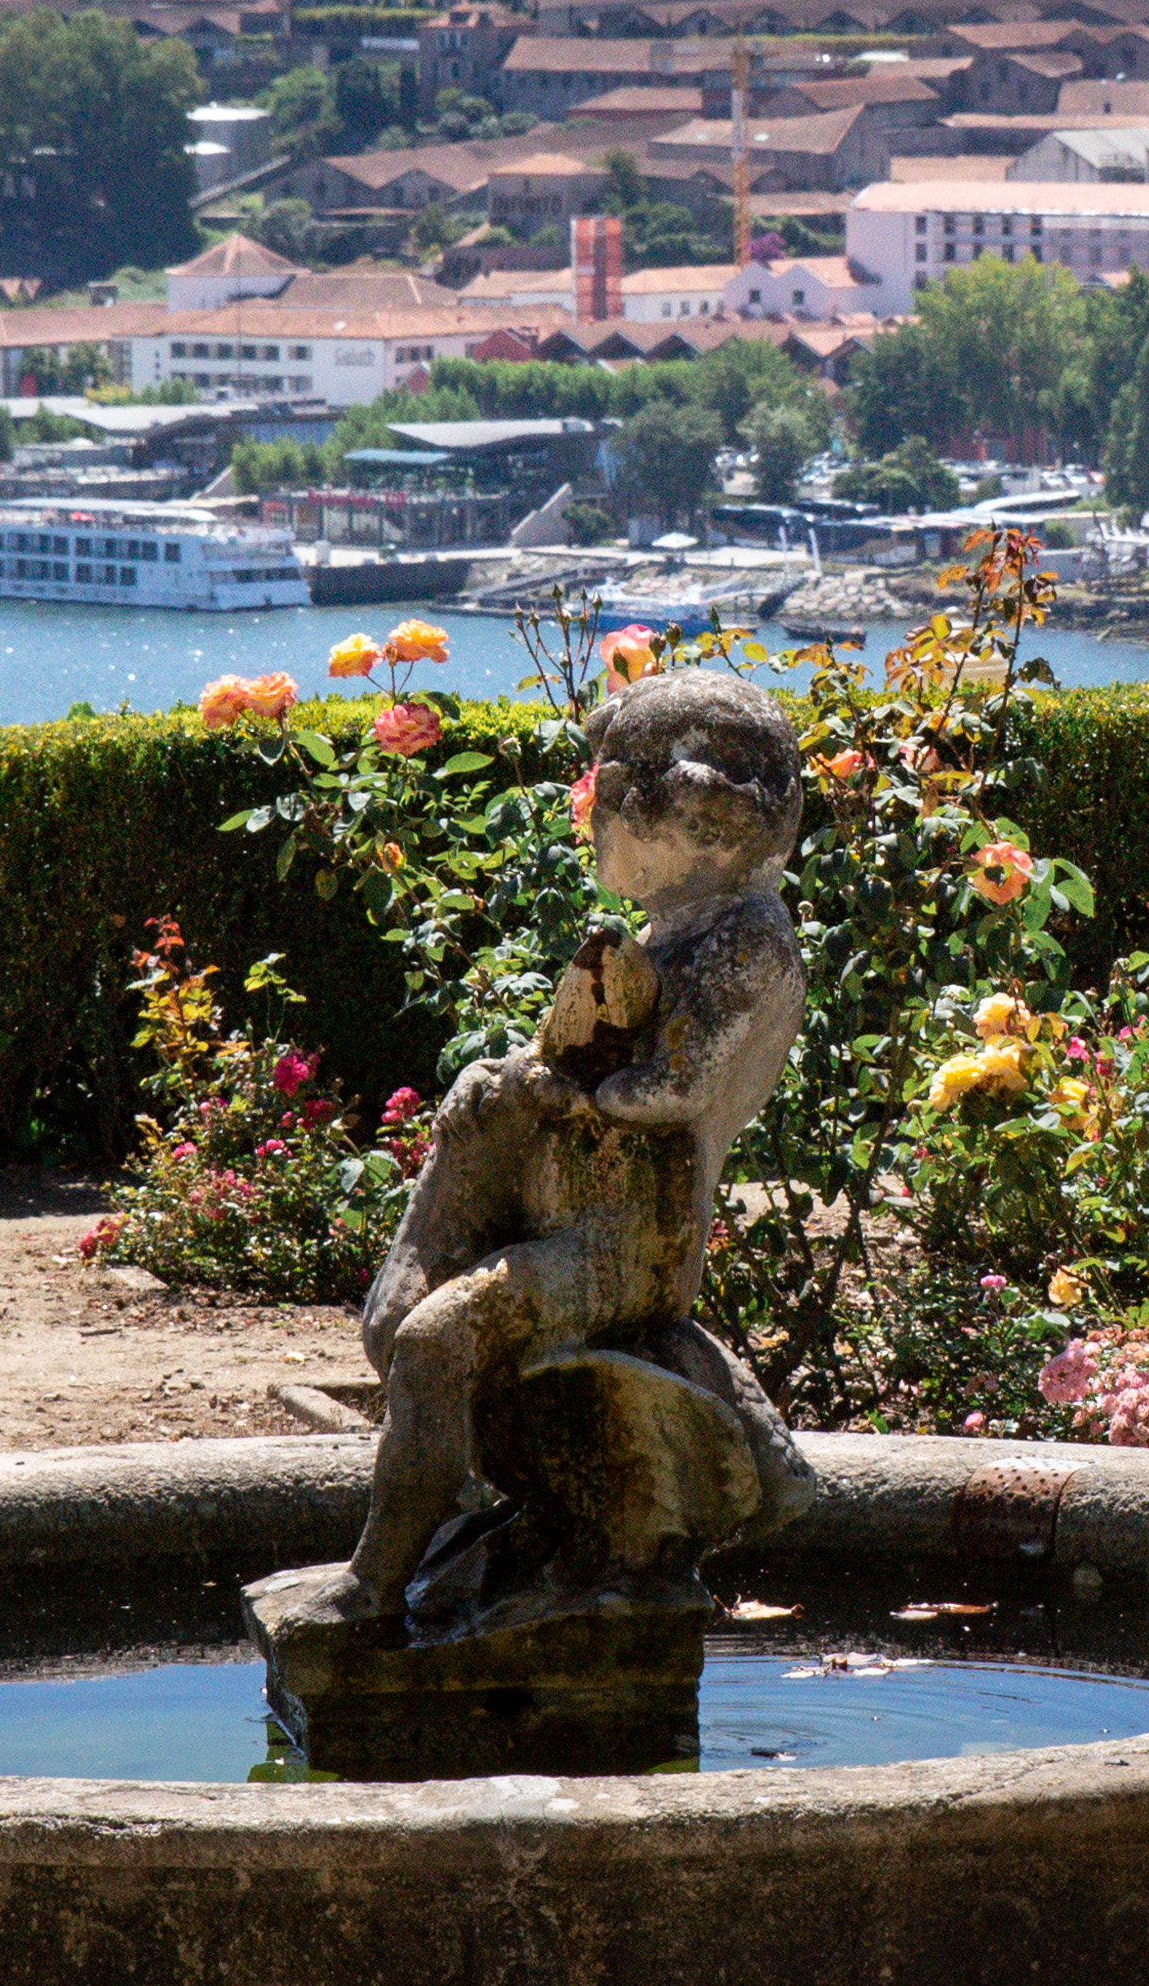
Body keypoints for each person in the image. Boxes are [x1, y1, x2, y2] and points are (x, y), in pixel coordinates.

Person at [304, 667, 811, 1626]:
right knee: (401, 1319)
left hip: (632, 1246)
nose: (592, 822)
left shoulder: (746, 943)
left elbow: (665, 1090)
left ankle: (373, 1584)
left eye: (607, 799)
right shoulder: (680, 931)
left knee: (436, 1338)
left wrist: (549, 1082)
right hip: (579, 1214)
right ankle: (501, 1520)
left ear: (682, 815)